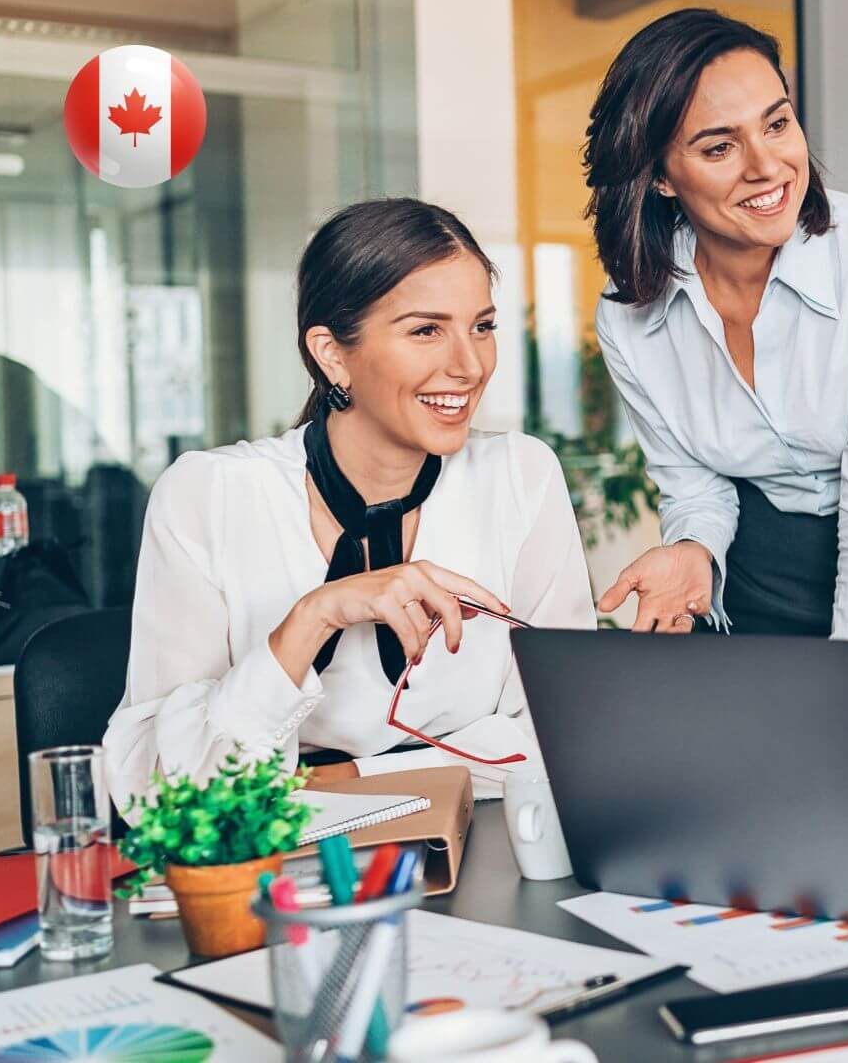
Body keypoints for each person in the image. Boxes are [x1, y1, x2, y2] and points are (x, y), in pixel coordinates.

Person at [104, 198, 595, 806]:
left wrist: (347, 780)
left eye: (482, 327)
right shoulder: (208, 496)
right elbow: (162, 789)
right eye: (426, 330)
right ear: (332, 353)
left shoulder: (521, 474)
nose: (470, 366)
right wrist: (314, 617)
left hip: (479, 835)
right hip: (276, 850)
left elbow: (565, 736)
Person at [583, 8, 848, 737]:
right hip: (762, 552)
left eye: (777, 123)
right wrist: (694, 548)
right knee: (757, 763)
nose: (767, 166)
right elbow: (694, 486)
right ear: (661, 177)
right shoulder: (630, 316)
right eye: (719, 146)